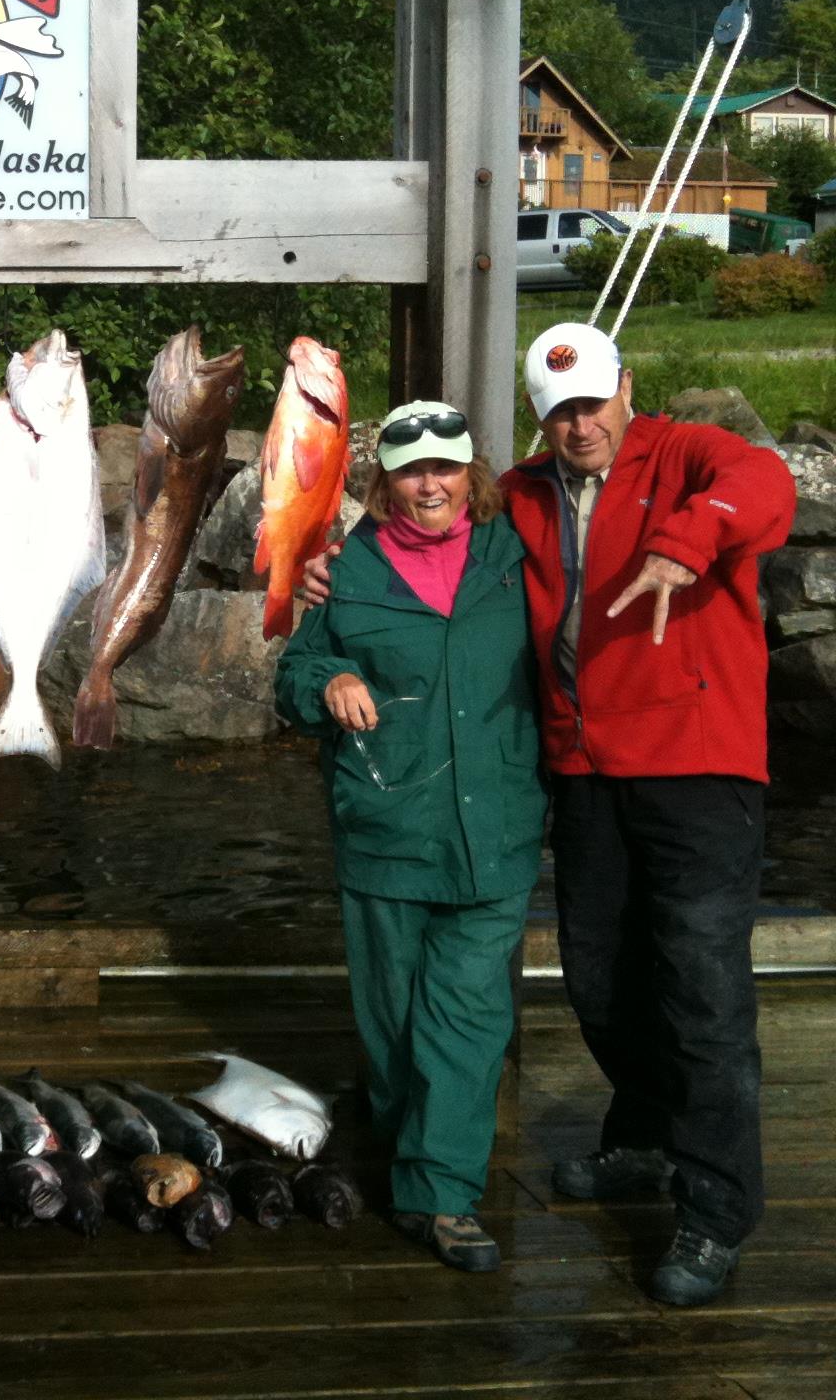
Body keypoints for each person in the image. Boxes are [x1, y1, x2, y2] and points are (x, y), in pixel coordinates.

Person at [301, 322, 796, 1305]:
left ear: (626, 389)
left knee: (700, 990)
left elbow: (766, 486)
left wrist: (681, 544)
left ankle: (711, 1210)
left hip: (696, 767)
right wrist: (333, 570)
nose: (580, 425)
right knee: (600, 976)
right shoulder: (521, 495)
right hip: (580, 769)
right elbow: (423, 541)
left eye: (593, 403)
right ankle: (646, 1137)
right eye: (558, 411)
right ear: (539, 421)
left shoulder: (689, 456)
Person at [274, 402, 544, 1273]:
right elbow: (293, 675)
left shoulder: (518, 554)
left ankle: (440, 1195)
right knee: (392, 1025)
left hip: (496, 833)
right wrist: (330, 676)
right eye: (410, 468)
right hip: (387, 833)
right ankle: (406, 1136)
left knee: (466, 1016)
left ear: (473, 471)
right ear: (380, 479)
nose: (430, 484)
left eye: (446, 466)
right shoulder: (340, 570)